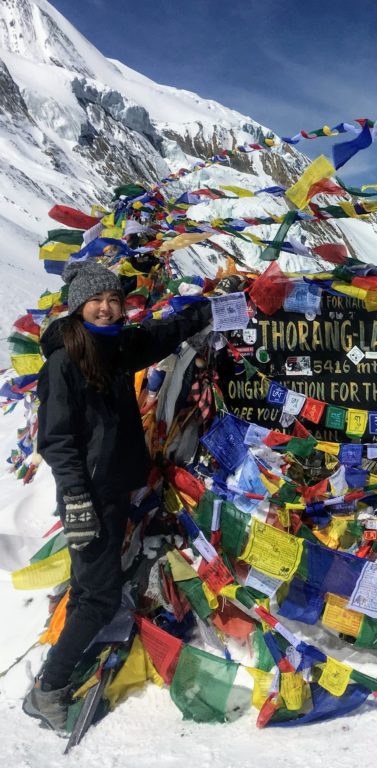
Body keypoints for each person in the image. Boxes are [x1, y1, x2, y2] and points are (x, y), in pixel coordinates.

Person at [24, 260, 212, 733]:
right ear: (78, 307)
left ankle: (55, 677)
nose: (107, 308)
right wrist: (77, 499)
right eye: (97, 301)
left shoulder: (115, 347)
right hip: (90, 494)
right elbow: (57, 440)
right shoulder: (65, 362)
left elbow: (158, 338)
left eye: (113, 300)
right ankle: (48, 690)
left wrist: (206, 310)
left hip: (117, 485)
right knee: (96, 597)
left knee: (97, 587)